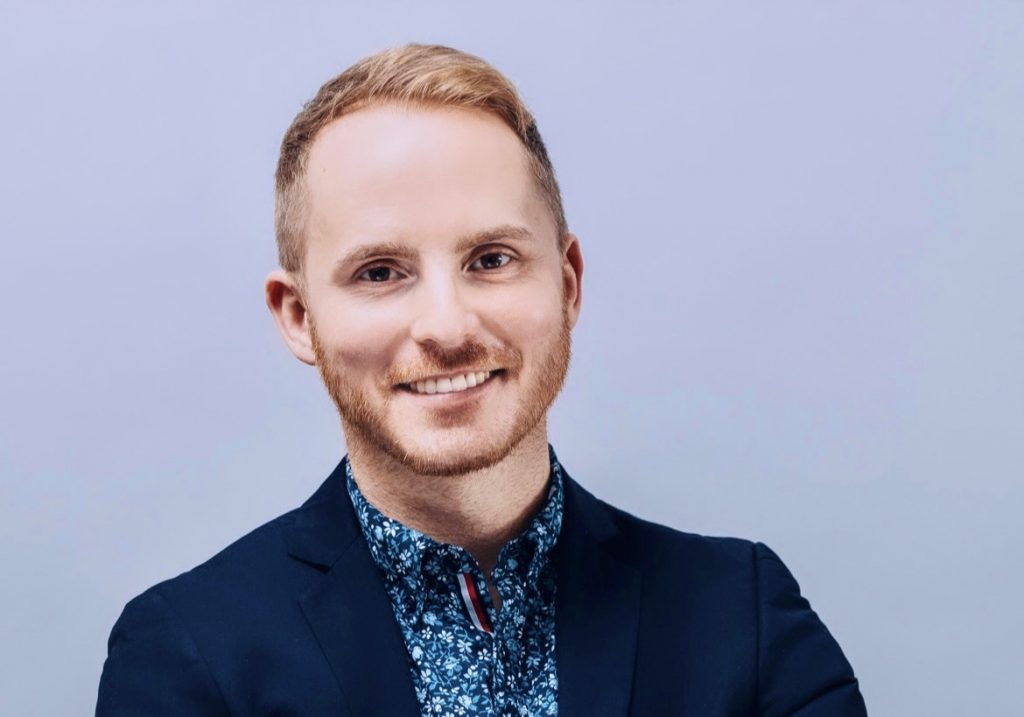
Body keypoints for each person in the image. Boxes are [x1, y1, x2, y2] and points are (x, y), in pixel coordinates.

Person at [96, 44, 867, 716]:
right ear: (299, 317)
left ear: (567, 283)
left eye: (492, 259)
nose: (448, 326)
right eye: (380, 271)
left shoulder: (742, 615)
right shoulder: (187, 653)